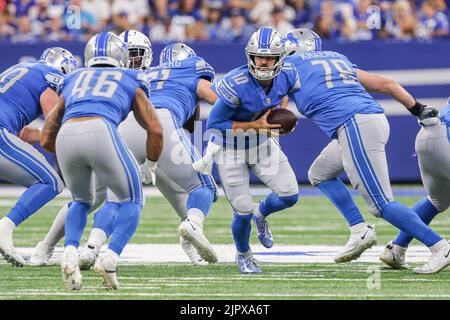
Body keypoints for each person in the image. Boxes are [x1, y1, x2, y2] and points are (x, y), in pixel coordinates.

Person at [285, 28, 450, 274]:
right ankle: (360, 230)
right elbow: (388, 84)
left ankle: (440, 247)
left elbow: (275, 104)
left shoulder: (289, 67)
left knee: (381, 204)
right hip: (369, 121)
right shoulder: (336, 58)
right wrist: (417, 108)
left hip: (354, 125)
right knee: (320, 174)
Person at [40, 31, 163, 290]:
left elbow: (47, 133)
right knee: (132, 199)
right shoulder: (130, 75)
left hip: (67, 134)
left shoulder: (73, 78)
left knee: (80, 201)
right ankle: (110, 258)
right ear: (120, 55)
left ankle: (71, 252)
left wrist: (65, 150)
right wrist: (150, 164)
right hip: (101, 128)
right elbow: (155, 128)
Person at [202, 26, 300, 274]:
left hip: (262, 145)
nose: (264, 62)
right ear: (250, 56)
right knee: (242, 210)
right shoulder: (236, 83)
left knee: (289, 194)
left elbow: (284, 94)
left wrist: (280, 113)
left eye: (269, 57)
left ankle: (262, 213)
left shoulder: (288, 73)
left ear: (280, 59)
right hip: (230, 149)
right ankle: (244, 254)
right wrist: (256, 125)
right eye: (259, 56)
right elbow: (214, 125)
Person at [0, 47, 76, 267]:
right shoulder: (50, 77)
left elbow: (21, 132)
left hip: (5, 127)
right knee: (50, 182)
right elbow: (55, 124)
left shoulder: (22, 69)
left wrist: (40, 134)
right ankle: (5, 227)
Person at [380, 100, 450, 270]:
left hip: (429, 134)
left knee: (437, 200)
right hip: (445, 138)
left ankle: (396, 249)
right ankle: (442, 250)